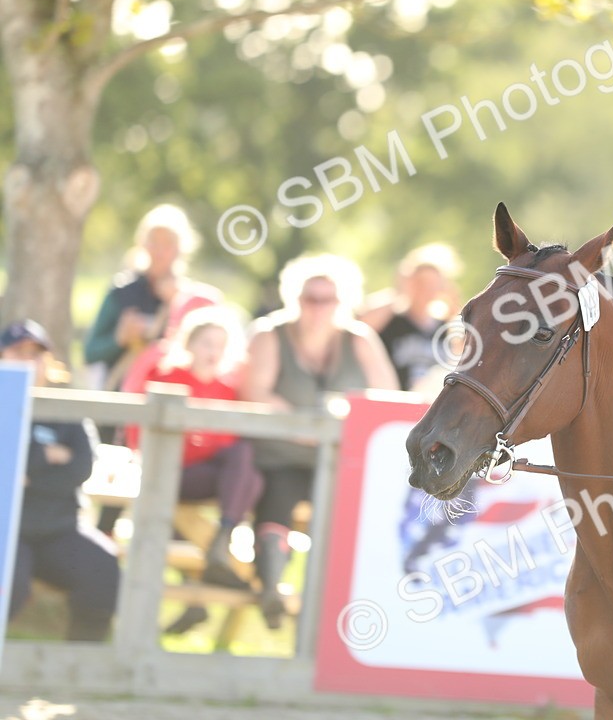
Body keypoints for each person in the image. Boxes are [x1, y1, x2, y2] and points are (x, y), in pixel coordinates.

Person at [241, 254, 398, 627]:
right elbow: (255, 392)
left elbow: (390, 396)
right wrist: (307, 427)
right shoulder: (270, 334)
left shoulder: (359, 339)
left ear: (342, 301)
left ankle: (344, 607)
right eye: (309, 298)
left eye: (326, 299)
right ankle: (271, 589)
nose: (317, 307)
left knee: (358, 511)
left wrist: (347, 419)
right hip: (281, 454)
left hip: (340, 459)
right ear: (293, 297)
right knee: (277, 492)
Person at [126, 306, 263, 590]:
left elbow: (227, 442)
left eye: (221, 346)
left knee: (249, 469)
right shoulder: (166, 378)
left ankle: (221, 541)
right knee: (249, 478)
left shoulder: (227, 389)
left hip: (207, 473)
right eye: (207, 343)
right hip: (172, 472)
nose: (213, 352)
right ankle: (222, 554)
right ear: (190, 343)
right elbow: (141, 431)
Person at [2, 320, 120, 641]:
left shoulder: (67, 409)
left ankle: (82, 664)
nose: (28, 360)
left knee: (102, 568)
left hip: (59, 528)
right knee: (8, 584)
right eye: (18, 352)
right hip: (9, 533)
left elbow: (81, 467)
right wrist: (46, 455)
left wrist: (27, 470)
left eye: (35, 353)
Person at [84, 204, 200, 392]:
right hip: (123, 397)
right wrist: (119, 339)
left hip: (174, 395)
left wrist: (175, 307)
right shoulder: (123, 291)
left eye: (167, 243)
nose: (160, 251)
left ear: (180, 248)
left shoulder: (191, 299)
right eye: (154, 242)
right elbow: (90, 353)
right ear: (143, 244)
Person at [359, 244, 461, 391]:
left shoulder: (446, 326)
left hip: (432, 407)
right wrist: (399, 292)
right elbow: (360, 324)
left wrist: (454, 307)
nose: (427, 290)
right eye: (421, 283)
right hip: (395, 402)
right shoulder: (391, 319)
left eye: (434, 284)